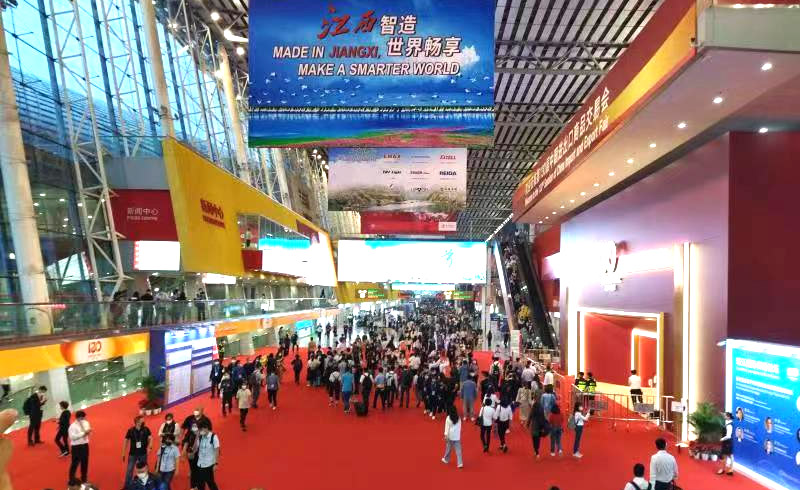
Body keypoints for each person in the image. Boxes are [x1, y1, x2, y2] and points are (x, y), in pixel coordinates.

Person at [123, 415, 152, 489]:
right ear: (137, 422)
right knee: (129, 470)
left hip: (143, 453)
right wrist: (123, 452)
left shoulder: (146, 429)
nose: (143, 422)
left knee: (144, 469)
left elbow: (150, 438)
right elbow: (126, 441)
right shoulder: (131, 430)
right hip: (133, 453)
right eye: (142, 421)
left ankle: (145, 484)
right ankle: (127, 486)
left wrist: (150, 447)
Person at [193, 420, 219, 490]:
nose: (200, 431)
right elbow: (194, 449)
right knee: (202, 483)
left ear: (206, 428)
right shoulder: (200, 437)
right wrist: (196, 437)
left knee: (209, 482)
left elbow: (217, 451)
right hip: (200, 464)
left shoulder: (213, 437)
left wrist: (216, 463)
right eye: (199, 430)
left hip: (209, 464)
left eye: (201, 429)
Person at [68, 410, 91, 483]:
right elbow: (72, 437)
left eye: (84, 417)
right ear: (78, 417)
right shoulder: (72, 426)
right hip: (76, 447)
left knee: (85, 462)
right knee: (75, 463)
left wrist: (88, 432)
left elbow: (88, 431)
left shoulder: (86, 422)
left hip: (85, 445)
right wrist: (83, 434)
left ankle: (84, 478)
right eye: (82, 418)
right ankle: (71, 479)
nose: (83, 419)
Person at [718, 411, 734, 476]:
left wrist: (721, 439)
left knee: (724, 456)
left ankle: (723, 469)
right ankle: (730, 470)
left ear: (728, 417)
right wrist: (722, 414)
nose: (724, 416)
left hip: (727, 442)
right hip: (728, 442)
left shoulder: (729, 425)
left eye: (725, 416)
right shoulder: (727, 422)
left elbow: (728, 436)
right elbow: (723, 414)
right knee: (730, 455)